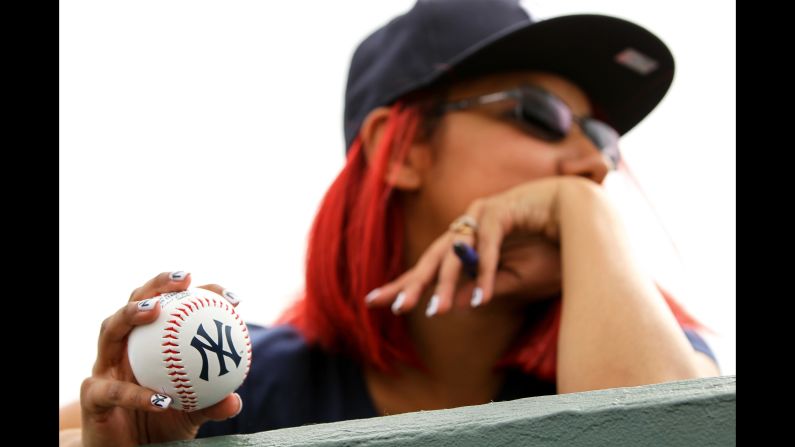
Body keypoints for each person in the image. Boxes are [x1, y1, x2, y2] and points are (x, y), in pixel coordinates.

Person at [59, 0, 721, 445]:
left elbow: (669, 428)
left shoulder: (654, 348)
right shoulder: (236, 388)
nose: (591, 163)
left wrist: (586, 212)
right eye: (538, 115)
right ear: (400, 148)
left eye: (602, 139)